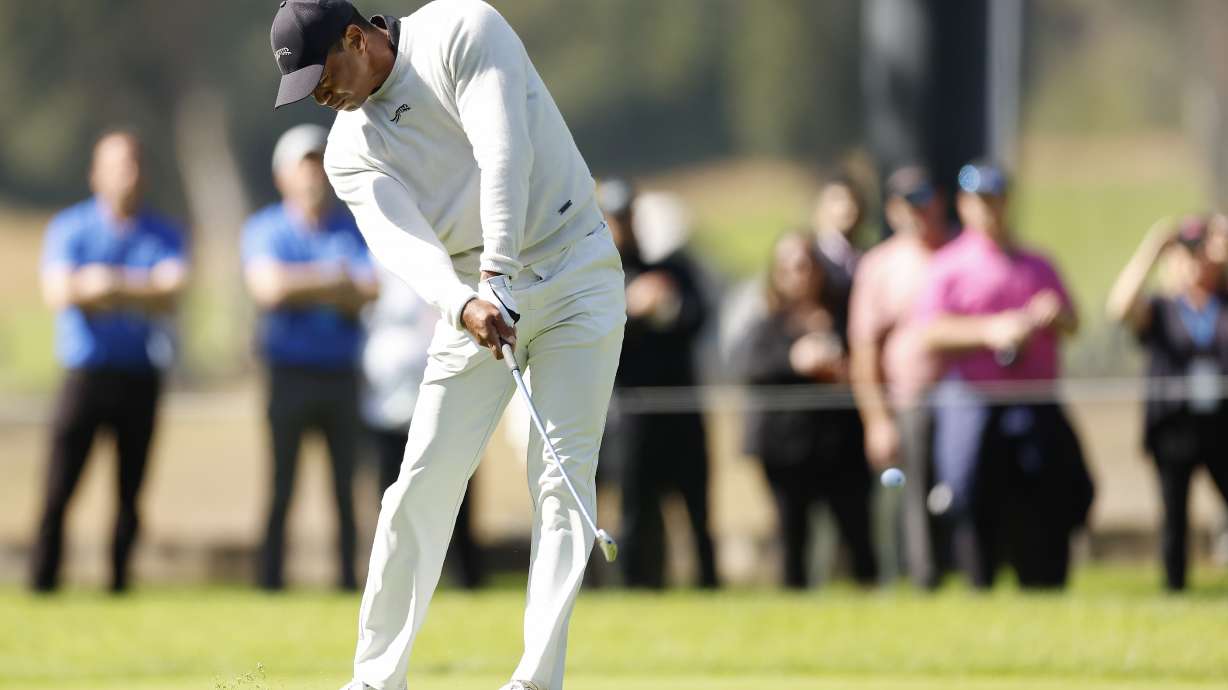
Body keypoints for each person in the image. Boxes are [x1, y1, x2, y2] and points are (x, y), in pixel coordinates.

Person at [267, 2, 625, 689]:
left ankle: (536, 680)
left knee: (561, 478)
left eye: (322, 76)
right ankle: (375, 680)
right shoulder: (348, 151)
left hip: (574, 264)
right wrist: (465, 303)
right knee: (421, 484)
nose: (320, 96)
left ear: (356, 38)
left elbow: (504, 153)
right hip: (473, 300)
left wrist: (499, 276)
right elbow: (404, 246)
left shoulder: (462, 31)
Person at [917, 161, 1093, 589]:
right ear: (964, 205)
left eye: (995, 200)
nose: (989, 209)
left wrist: (1053, 316)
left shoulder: (1037, 264)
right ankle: (978, 579)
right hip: (975, 399)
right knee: (969, 489)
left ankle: (1044, 579)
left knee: (1049, 489)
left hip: (1033, 402)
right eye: (980, 201)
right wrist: (990, 331)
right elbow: (929, 332)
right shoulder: (948, 265)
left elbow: (1073, 323)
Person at [31, 130, 188, 593]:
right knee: (59, 487)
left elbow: (171, 291)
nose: (129, 175)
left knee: (130, 492)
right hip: (86, 375)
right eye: (119, 166)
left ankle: (119, 581)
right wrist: (138, 288)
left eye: (135, 165)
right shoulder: (70, 228)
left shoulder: (164, 232)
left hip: (140, 374)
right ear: (95, 174)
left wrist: (106, 285)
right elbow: (59, 292)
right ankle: (44, 580)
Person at [242, 123, 378, 592]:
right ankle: (271, 581)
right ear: (283, 176)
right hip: (288, 375)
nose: (314, 176)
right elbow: (269, 289)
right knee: (282, 486)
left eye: (320, 165)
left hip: (342, 374)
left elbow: (370, 289)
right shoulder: (265, 229)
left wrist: (301, 284)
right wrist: (334, 281)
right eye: (305, 167)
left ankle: (348, 582)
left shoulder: (352, 227)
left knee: (346, 489)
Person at [597, 179, 718, 589]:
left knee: (697, 509)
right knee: (636, 509)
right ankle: (637, 587)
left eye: (627, 216)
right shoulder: (600, 276)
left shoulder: (674, 268)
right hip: (632, 414)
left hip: (683, 408)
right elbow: (598, 335)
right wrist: (631, 309)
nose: (622, 226)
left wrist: (666, 305)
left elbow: (697, 316)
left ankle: (709, 586)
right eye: (615, 218)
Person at [740, 232, 878, 589]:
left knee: (858, 534)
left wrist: (843, 371)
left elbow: (868, 363)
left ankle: (870, 601)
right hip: (785, 449)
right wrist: (795, 360)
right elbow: (749, 369)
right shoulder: (766, 324)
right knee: (793, 539)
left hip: (841, 446)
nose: (799, 274)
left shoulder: (845, 316)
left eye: (806, 265)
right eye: (790, 267)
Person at [1107, 214, 1228, 591]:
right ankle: (1175, 588)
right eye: (1187, 253)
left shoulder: (1222, 304)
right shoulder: (1163, 308)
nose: (1196, 262)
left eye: (1202, 252)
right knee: (1174, 514)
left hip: (1221, 423)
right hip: (1173, 426)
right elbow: (1119, 307)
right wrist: (1155, 246)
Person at [848, 167, 949, 589]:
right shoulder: (879, 266)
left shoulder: (957, 253)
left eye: (925, 200)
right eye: (908, 203)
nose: (918, 212)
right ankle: (923, 579)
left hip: (965, 397)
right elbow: (865, 351)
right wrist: (877, 420)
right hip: (909, 401)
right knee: (913, 499)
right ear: (892, 210)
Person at [361, 263, 484, 589]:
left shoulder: (446, 262)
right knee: (392, 499)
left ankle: (465, 578)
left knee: (455, 493)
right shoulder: (373, 260)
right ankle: (394, 579)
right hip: (385, 407)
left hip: (445, 404)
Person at [811, 177, 866, 337]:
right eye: (837, 200)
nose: (847, 207)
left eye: (852, 200)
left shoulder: (863, 259)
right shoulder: (811, 258)